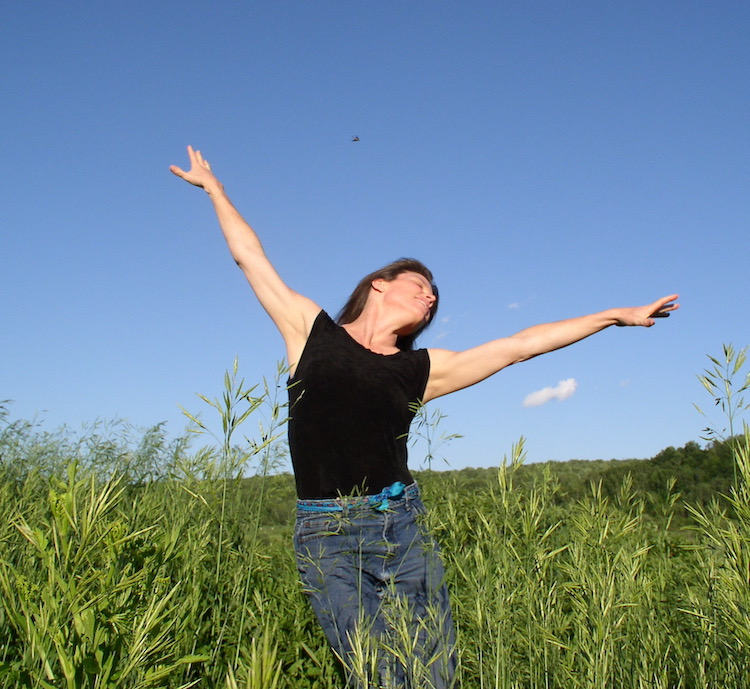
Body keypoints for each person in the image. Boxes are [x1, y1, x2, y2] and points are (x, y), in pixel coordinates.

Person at [170, 146, 679, 688]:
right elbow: (251, 258)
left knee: (432, 674)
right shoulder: (310, 332)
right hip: (326, 533)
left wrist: (613, 316)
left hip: (400, 524)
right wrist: (215, 189)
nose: (430, 296)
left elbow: (519, 346)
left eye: (435, 296)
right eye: (420, 285)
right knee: (374, 674)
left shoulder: (422, 369)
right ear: (379, 284)